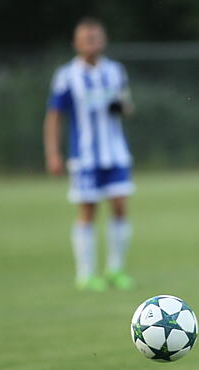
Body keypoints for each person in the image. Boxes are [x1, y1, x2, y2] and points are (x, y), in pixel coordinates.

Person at [43, 17, 134, 292]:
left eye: (96, 37)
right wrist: (53, 152)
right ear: (76, 43)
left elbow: (127, 106)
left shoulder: (115, 71)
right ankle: (86, 273)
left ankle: (116, 270)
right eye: (86, 38)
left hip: (116, 153)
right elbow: (54, 115)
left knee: (119, 208)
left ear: (103, 40)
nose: (92, 42)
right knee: (88, 211)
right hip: (84, 156)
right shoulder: (66, 75)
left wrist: (123, 107)